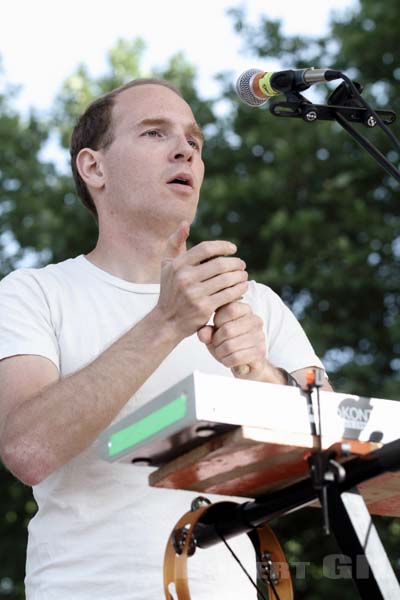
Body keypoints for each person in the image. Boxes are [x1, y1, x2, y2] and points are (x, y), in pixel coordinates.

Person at [0, 78, 331, 599]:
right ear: (94, 167)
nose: (185, 150)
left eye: (194, 142)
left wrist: (263, 375)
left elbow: (333, 471)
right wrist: (166, 322)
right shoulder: (34, 292)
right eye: (154, 133)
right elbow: (27, 449)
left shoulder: (256, 302)